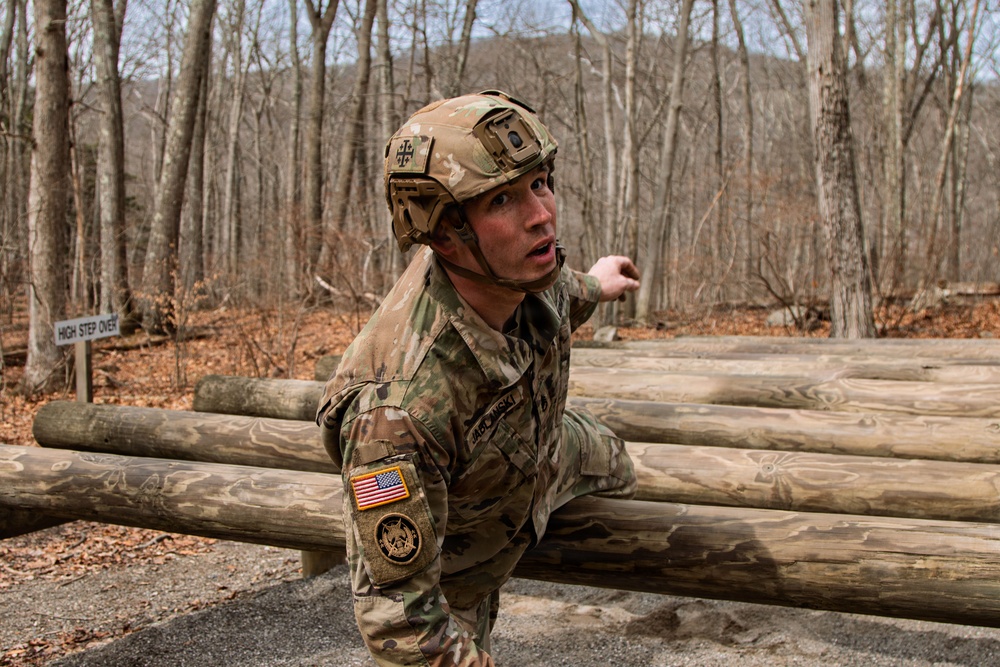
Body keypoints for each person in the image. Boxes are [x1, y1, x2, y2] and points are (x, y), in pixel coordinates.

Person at [316, 90, 641, 666]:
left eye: (541, 182)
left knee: (626, 466)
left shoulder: (523, 272)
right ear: (444, 235)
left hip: (543, 452)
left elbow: (567, 291)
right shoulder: (396, 416)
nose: (541, 213)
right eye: (502, 200)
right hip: (459, 568)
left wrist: (600, 281)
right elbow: (403, 628)